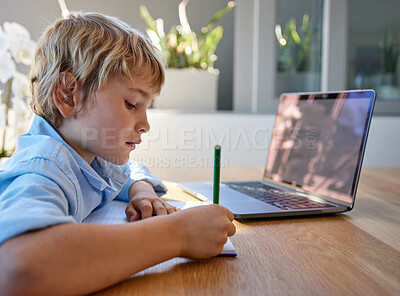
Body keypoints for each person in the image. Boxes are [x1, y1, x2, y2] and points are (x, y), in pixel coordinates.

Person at [0, 12, 236, 295]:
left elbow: (127, 172)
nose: (146, 125)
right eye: (131, 103)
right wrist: (179, 234)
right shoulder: (45, 167)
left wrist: (142, 191)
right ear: (68, 95)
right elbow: (19, 267)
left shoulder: (87, 156)